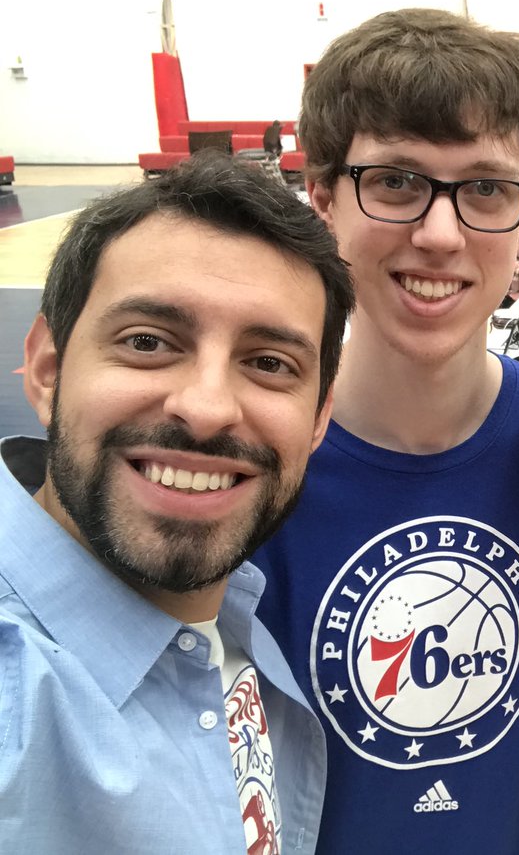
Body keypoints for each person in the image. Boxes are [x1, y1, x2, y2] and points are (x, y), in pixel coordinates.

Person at [251, 9, 519, 853]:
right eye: (396, 181)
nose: (439, 235)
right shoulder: (247, 465)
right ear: (323, 199)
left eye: (486, 189)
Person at [0, 152, 355, 853]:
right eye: (148, 342)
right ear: (47, 369)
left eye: (269, 363)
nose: (207, 407)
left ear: (319, 418)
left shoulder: (237, 614)